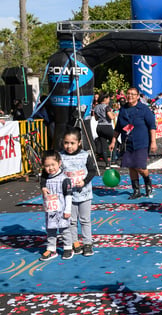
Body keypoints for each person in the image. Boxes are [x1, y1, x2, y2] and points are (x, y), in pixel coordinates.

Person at [42, 126, 97, 257]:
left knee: (85, 220)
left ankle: (87, 243)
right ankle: (74, 243)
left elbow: (92, 171)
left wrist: (84, 181)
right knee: (71, 221)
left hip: (84, 194)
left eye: (72, 143)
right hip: (67, 196)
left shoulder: (85, 155)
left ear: (79, 143)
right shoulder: (60, 157)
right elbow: (46, 171)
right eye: (66, 143)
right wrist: (44, 186)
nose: (69, 146)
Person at [109, 87, 157, 199]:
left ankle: (147, 183)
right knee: (131, 166)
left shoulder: (144, 109)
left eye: (133, 94)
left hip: (141, 142)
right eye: (128, 94)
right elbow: (118, 127)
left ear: (138, 96)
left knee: (140, 166)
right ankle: (136, 190)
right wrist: (113, 141)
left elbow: (152, 126)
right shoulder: (123, 109)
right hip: (127, 142)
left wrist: (153, 142)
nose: (130, 96)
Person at [39, 150, 73, 261]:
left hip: (62, 210)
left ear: (59, 163)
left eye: (53, 164)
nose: (50, 168)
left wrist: (67, 210)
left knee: (65, 229)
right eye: (47, 166)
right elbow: (42, 183)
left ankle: (68, 248)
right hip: (51, 210)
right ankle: (51, 249)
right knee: (51, 230)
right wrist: (43, 189)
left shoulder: (65, 179)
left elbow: (68, 196)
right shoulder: (45, 179)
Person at [94, 93, 117, 168]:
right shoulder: (106, 107)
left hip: (99, 126)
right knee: (114, 141)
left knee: (103, 145)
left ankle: (107, 163)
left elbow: (96, 118)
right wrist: (114, 115)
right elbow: (111, 117)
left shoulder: (96, 107)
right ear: (105, 99)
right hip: (107, 126)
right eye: (108, 98)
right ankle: (113, 160)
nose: (109, 100)